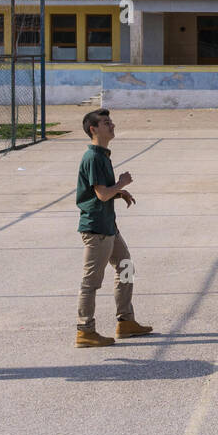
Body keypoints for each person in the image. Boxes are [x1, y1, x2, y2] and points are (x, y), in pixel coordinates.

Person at [75, 109, 153, 347]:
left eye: (111, 122)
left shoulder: (102, 155)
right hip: (96, 230)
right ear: (93, 129)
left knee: (126, 266)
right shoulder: (94, 158)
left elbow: (102, 193)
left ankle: (126, 321)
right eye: (106, 123)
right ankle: (85, 330)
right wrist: (121, 184)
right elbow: (100, 194)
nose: (112, 126)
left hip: (109, 227)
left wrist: (120, 192)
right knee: (90, 283)